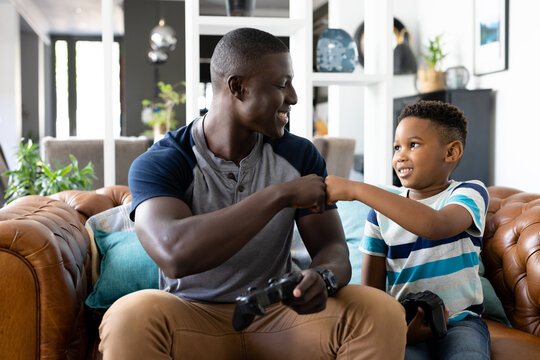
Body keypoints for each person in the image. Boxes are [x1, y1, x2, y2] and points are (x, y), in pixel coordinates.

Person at [98, 28, 406, 359]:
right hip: (191, 316)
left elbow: (332, 248)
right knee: (129, 314)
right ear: (238, 87)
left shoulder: (299, 156)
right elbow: (174, 254)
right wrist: (279, 195)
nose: (294, 96)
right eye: (281, 83)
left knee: (380, 310)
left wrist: (323, 276)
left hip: (278, 315)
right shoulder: (163, 162)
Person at [325, 100, 491, 359]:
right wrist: (398, 329)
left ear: (451, 152)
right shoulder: (380, 212)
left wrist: (356, 189)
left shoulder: (468, 192)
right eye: (396, 147)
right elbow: (373, 292)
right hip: (404, 323)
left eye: (413, 145)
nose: (400, 155)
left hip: (461, 322)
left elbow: (437, 225)